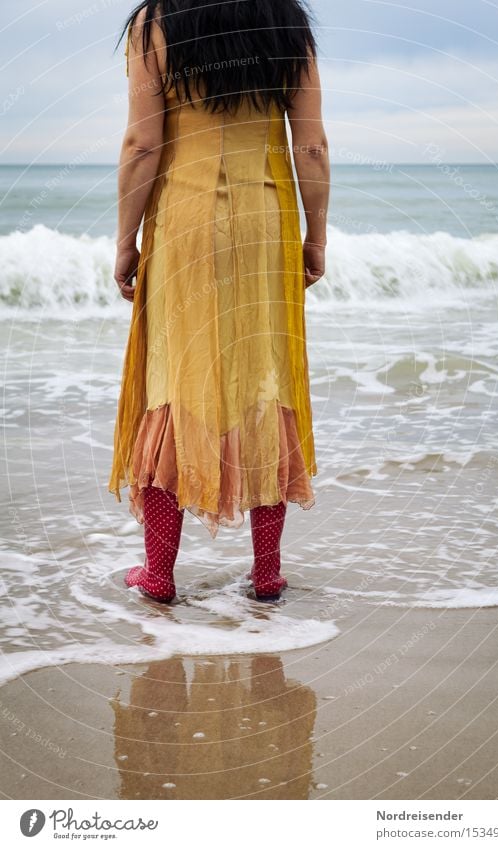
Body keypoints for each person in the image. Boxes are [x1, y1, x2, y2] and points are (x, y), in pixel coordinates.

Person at [108, 0, 330, 603]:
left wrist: (125, 240)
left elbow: (142, 143)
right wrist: (316, 236)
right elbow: (310, 146)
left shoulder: (156, 22)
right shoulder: (286, 19)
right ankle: (266, 572)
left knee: (172, 379)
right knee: (266, 378)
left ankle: (159, 574)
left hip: (183, 221)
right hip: (266, 221)